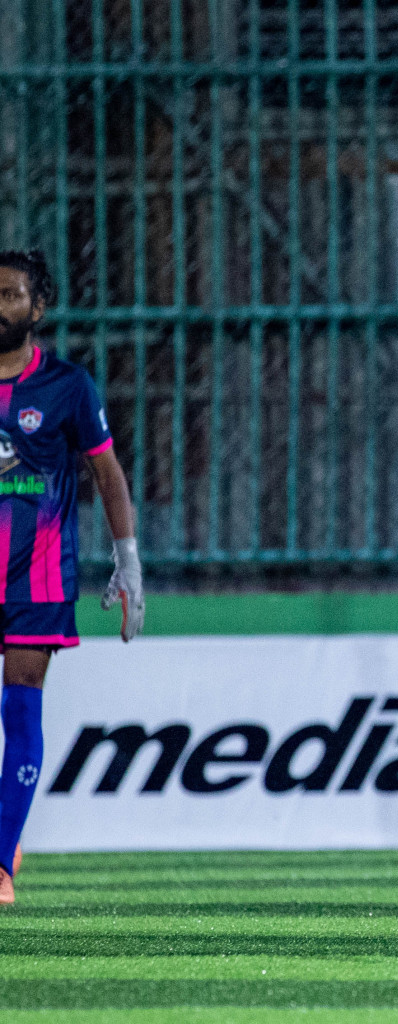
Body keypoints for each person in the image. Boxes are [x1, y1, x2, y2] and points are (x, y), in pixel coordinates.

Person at [0, 249, 144, 906]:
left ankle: (1, 862)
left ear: (38, 307)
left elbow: (107, 474)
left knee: (20, 704)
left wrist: (128, 563)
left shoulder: (66, 385)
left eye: (9, 294)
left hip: (38, 579)